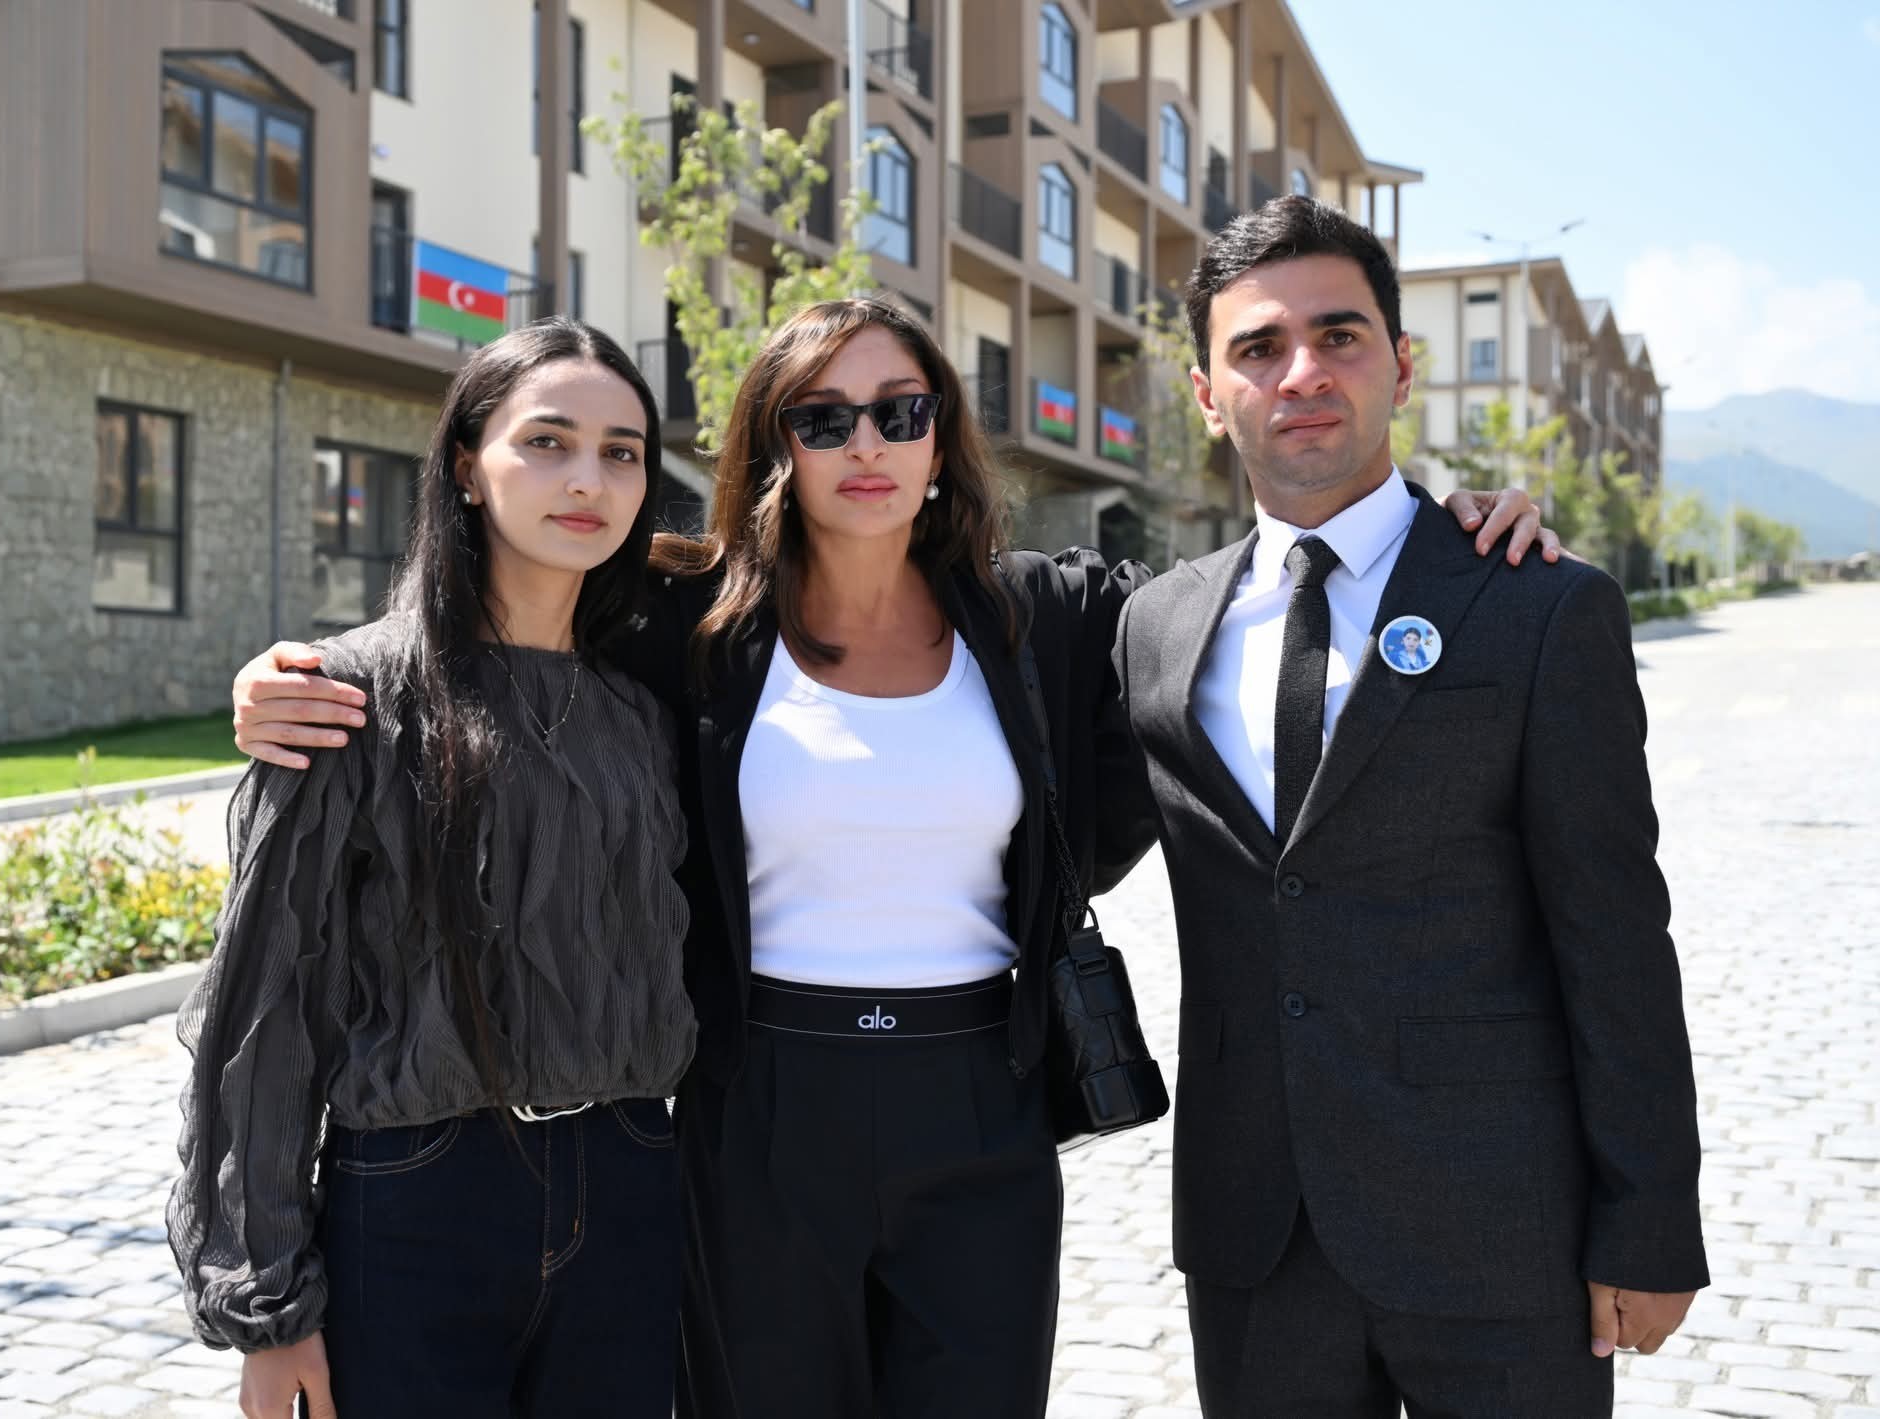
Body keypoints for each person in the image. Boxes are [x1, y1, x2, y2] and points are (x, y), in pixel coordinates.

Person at [224, 298, 1553, 1416]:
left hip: (978, 1109)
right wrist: (297, 679)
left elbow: (1254, 593)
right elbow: (505, 622)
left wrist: (1435, 534)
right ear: (775, 445)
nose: (866, 444)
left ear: (940, 436)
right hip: (758, 1111)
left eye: (901, 412)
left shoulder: (1042, 615)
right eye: (823, 418)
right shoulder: (690, 621)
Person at [1112, 196, 1706, 1417]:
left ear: (1401, 363)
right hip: (1253, 1237)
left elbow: (1611, 932)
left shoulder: (1534, 602)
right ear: (1205, 394)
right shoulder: (1154, 629)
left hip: (1498, 1231)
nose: (1301, 373)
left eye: (1337, 336)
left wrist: (1648, 1216)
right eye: (1257, 348)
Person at [167, 320, 695, 1419]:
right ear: (465, 464)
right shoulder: (344, 697)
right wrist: (268, 1305)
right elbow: (265, 1009)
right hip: (420, 1198)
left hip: (633, 1187)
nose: (587, 479)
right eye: (546, 441)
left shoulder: (643, 714)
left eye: (622, 452)